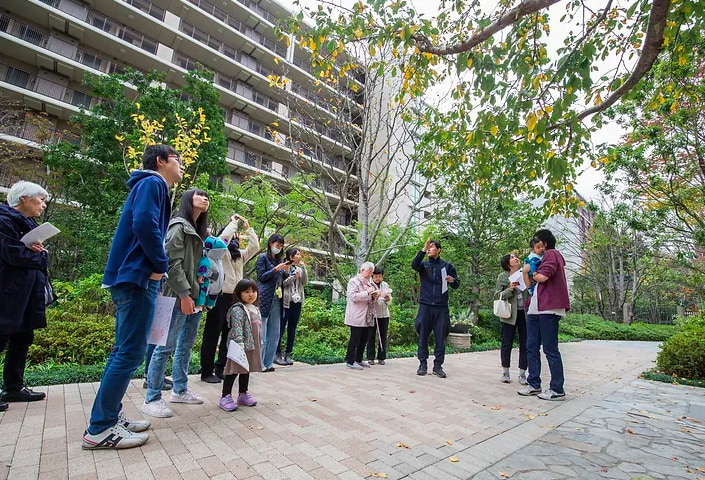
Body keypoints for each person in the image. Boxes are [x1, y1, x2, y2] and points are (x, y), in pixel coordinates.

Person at [83, 145, 182, 449]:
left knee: (124, 352)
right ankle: (100, 429)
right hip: (137, 279)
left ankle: (110, 417)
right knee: (128, 353)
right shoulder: (153, 183)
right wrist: (160, 264)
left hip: (132, 278)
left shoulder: (148, 185)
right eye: (178, 160)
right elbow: (144, 225)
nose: (181, 166)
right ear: (161, 161)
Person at [142, 189, 210, 418]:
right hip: (177, 295)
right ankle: (152, 397)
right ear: (188, 200)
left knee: (185, 346)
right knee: (165, 347)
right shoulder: (178, 226)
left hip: (195, 296)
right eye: (200, 195)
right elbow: (171, 263)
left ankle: (180, 390)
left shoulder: (199, 230)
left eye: (207, 196)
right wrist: (184, 294)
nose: (205, 198)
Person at [0, 181, 52, 413]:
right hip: (7, 292)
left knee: (23, 338)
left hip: (26, 293)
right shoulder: (4, 221)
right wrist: (39, 256)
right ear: (24, 199)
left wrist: (39, 254)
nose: (43, 205)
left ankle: (14, 386)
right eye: (40, 200)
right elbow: (14, 255)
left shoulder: (28, 224)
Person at [200, 214, 259, 383]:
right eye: (232, 236)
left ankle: (222, 368)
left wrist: (248, 228)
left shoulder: (239, 255)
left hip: (235, 300)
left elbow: (254, 247)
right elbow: (222, 239)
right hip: (218, 297)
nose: (234, 239)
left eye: (236, 237)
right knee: (212, 334)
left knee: (229, 335)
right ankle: (206, 371)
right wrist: (233, 223)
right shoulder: (220, 252)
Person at [519, 229, 570, 401]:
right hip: (535, 307)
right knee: (531, 346)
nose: (537, 247)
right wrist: (527, 272)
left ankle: (557, 389)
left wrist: (533, 273)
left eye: (539, 243)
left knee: (550, 348)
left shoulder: (552, 254)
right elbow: (529, 285)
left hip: (548, 308)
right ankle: (534, 384)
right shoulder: (538, 258)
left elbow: (543, 277)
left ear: (545, 243)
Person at [412, 238, 459, 378]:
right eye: (428, 247)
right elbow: (414, 265)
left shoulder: (447, 266)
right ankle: (423, 364)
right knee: (423, 336)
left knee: (440, 338)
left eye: (431, 247)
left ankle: (438, 366)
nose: (429, 249)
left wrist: (453, 280)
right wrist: (422, 250)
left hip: (441, 307)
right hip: (425, 306)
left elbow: (457, 284)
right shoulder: (424, 264)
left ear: (439, 250)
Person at [219, 279, 261, 411]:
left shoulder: (254, 308)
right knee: (233, 370)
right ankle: (225, 396)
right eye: (246, 291)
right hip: (239, 347)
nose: (251, 294)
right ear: (238, 293)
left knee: (246, 370)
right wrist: (239, 344)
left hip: (251, 346)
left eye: (254, 291)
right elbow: (236, 328)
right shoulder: (238, 309)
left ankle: (243, 393)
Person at [256, 233, 289, 372]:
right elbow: (261, 277)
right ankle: (259, 364)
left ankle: (269, 363)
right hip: (265, 297)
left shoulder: (279, 260)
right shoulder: (262, 258)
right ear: (270, 244)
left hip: (277, 299)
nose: (279, 248)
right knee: (262, 334)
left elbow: (281, 280)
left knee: (275, 333)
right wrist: (276, 269)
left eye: (281, 246)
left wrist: (286, 272)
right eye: (277, 245)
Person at [496, 253, 529, 384]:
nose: (516, 258)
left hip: (525, 313)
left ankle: (522, 374)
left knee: (525, 343)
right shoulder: (502, 277)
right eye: (512, 258)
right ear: (507, 264)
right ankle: (505, 372)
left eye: (516, 256)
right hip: (509, 314)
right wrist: (509, 289)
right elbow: (497, 295)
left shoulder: (525, 272)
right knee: (506, 343)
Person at [275, 247, 308, 366]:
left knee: (292, 328)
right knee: (281, 327)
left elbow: (305, 282)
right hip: (286, 302)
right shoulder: (284, 267)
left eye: (300, 254)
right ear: (291, 257)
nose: (299, 256)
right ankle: (277, 353)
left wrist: (303, 269)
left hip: (297, 302)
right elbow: (282, 284)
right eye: (297, 254)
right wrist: (292, 277)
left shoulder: (299, 268)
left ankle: (288, 353)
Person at [344, 262, 377, 370]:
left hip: (366, 315)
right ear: (362, 270)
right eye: (369, 271)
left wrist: (375, 296)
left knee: (364, 338)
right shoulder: (354, 281)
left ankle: (359, 358)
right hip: (356, 314)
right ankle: (350, 360)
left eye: (372, 272)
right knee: (355, 338)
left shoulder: (370, 284)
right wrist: (368, 293)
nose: (370, 274)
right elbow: (353, 297)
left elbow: (370, 298)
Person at [195, 235, 229, 312]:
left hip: (217, 284)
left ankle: (209, 304)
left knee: (214, 295)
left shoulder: (219, 261)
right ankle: (199, 304)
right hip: (208, 281)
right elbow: (203, 267)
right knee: (203, 292)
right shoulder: (207, 259)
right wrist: (201, 275)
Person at [366, 266, 392, 365]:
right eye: (376, 276)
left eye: (380, 276)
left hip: (384, 314)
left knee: (383, 336)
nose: (378, 278)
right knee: (371, 336)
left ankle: (381, 357)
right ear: (372, 276)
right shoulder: (369, 285)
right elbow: (367, 298)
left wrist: (388, 299)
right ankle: (370, 357)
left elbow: (390, 298)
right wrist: (373, 297)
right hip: (373, 314)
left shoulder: (385, 285)